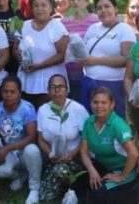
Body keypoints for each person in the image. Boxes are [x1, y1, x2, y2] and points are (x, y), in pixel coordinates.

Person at [78, 86, 139, 204]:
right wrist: (92, 170)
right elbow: (83, 151)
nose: (99, 106)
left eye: (104, 102)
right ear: (90, 103)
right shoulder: (89, 122)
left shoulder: (117, 124)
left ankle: (135, 195)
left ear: (112, 104)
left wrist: (121, 176)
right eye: (95, 102)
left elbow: (134, 153)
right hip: (103, 167)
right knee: (79, 183)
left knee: (99, 193)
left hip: (124, 169)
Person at [79, 0, 136, 118]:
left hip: (112, 86)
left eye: (107, 6)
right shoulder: (92, 28)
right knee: (88, 122)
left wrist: (96, 61)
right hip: (88, 82)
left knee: (112, 125)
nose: (103, 10)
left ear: (115, 9)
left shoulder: (125, 30)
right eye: (99, 8)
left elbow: (126, 59)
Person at [37, 74, 90, 202]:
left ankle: (74, 188)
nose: (56, 91)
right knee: (45, 198)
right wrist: (50, 153)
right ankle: (63, 185)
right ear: (48, 90)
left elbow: (86, 139)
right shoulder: (43, 110)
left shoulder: (78, 109)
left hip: (74, 158)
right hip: (52, 159)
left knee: (60, 171)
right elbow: (40, 139)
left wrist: (72, 154)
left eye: (60, 87)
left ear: (67, 90)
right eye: (53, 87)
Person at [0, 76, 42, 204]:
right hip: (9, 154)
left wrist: (7, 148)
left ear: (19, 92)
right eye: (5, 91)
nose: (8, 95)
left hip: (24, 152)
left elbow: (32, 137)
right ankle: (20, 176)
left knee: (32, 150)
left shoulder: (27, 108)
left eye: (12, 92)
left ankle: (34, 188)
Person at [14, 0, 69, 107]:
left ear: (51, 8)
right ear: (31, 8)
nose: (40, 9)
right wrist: (17, 54)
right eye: (36, 5)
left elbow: (62, 55)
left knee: (47, 115)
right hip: (26, 78)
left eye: (44, 5)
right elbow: (15, 48)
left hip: (50, 80)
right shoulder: (24, 25)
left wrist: (39, 66)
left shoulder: (56, 26)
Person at [60, 0, 99, 99]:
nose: (75, 2)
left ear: (87, 1)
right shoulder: (64, 22)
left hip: (90, 72)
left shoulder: (96, 20)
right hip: (69, 73)